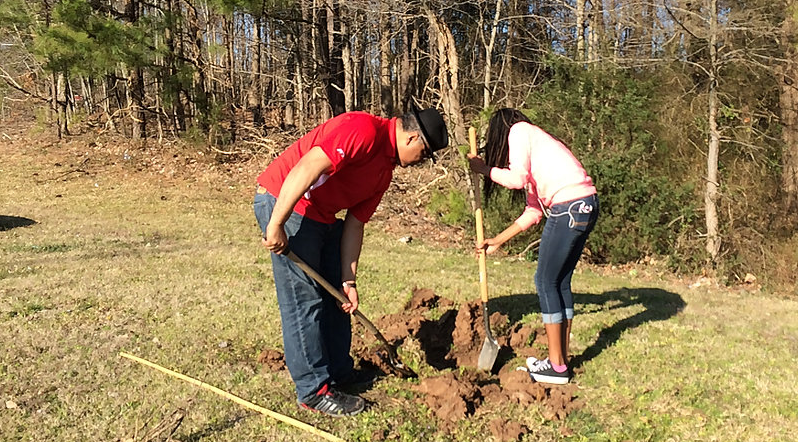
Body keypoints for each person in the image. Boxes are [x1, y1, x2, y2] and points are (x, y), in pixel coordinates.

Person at [254, 108, 449, 416]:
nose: (421, 162)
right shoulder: (363, 130)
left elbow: (355, 224)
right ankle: (313, 391)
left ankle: (340, 373)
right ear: (412, 137)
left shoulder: (385, 169)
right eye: (424, 154)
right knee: (303, 300)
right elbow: (308, 166)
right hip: (287, 201)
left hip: (322, 217)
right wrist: (277, 221)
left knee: (336, 297)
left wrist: (349, 281)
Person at [468, 108, 598, 385]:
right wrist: (498, 240)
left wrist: (485, 169)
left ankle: (556, 368)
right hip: (586, 204)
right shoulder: (540, 152)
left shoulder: (519, 131)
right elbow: (534, 212)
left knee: (545, 281)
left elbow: (516, 180)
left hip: (568, 207)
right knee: (560, 282)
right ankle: (560, 358)